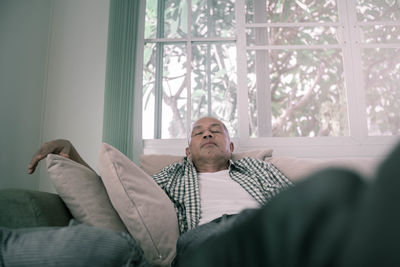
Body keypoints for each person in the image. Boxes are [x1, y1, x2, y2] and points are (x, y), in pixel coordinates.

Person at [25, 117, 293, 266]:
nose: (207, 135)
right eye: (199, 133)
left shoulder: (258, 168)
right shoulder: (171, 175)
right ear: (188, 152)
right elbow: (118, 197)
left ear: (231, 147)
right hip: (205, 242)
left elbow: (298, 207)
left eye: (215, 131)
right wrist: (72, 154)